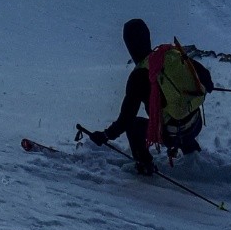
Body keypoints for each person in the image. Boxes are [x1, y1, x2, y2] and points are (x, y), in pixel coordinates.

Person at [85, 18, 214, 173]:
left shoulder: (139, 75)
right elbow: (206, 79)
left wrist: (106, 135)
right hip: (196, 124)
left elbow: (126, 119)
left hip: (170, 135)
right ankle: (191, 152)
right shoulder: (170, 54)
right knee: (179, 110)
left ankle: (144, 165)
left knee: (134, 127)